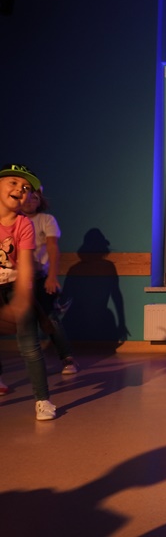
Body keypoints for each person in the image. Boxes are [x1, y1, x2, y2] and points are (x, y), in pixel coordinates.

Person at [0, 164, 56, 419]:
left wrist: (22, 300)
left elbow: (25, 266)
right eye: (13, 182)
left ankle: (43, 400)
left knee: (30, 346)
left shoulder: (24, 225)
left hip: (15, 285)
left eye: (25, 188)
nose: (20, 190)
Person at [21, 187, 79, 375]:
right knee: (23, 320)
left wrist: (52, 277)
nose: (30, 201)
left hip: (40, 277)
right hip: (19, 279)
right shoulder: (15, 221)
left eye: (34, 198)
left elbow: (52, 247)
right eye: (27, 198)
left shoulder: (46, 220)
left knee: (50, 318)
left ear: (40, 201)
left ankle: (67, 358)